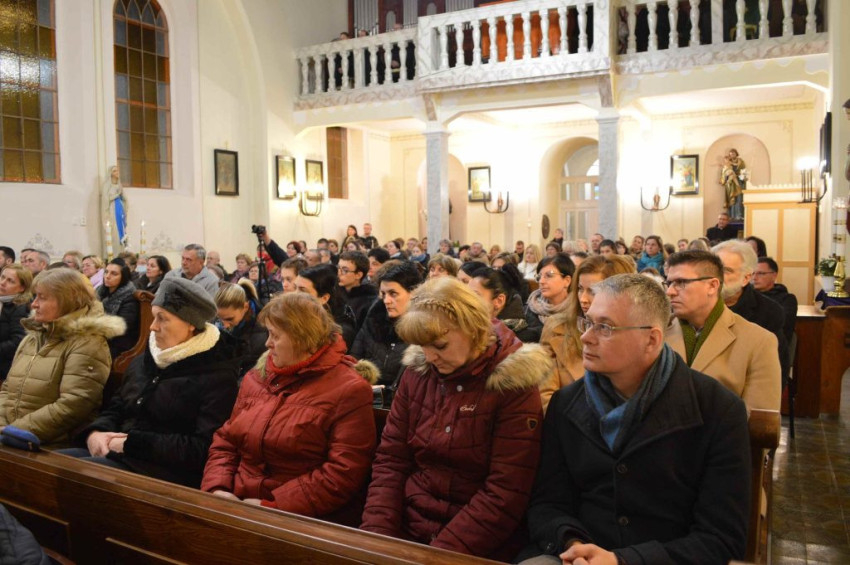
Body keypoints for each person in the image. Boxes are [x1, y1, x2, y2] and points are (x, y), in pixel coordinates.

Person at [521, 274, 750, 565]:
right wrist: (573, 543)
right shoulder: (567, 403)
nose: (586, 337)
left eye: (605, 327)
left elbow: (720, 538)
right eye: (587, 323)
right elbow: (548, 502)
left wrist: (622, 560)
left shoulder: (717, 409)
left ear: (651, 339)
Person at [360, 277, 552, 560]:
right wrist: (377, 537)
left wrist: (435, 557)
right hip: (409, 525)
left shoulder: (512, 384)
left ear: (473, 331)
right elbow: (391, 459)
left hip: (476, 543)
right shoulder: (419, 371)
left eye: (440, 345)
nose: (430, 357)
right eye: (422, 346)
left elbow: (505, 491)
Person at [202, 292, 377, 521]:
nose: (267, 343)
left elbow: (343, 472)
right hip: (236, 501)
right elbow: (226, 442)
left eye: (275, 335)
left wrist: (274, 505)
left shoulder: (349, 390)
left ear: (302, 338)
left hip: (298, 517)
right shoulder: (256, 377)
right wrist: (218, 488)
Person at [66, 277, 240, 487]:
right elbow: (117, 407)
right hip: (121, 453)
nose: (152, 326)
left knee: (74, 478)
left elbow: (202, 449)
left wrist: (132, 443)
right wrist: (95, 433)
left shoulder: (217, 375)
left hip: (162, 472)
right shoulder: (145, 360)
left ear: (190, 324)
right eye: (153, 316)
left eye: (162, 319)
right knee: (57, 463)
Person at [0, 269, 124, 445]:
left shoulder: (88, 343)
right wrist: (3, 427)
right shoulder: (32, 338)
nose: (34, 304)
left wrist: (15, 430)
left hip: (52, 444)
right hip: (11, 437)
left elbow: (75, 403)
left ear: (66, 301)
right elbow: (7, 389)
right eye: (35, 296)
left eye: (42, 298)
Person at [664, 250, 781, 411]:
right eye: (669, 283)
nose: (670, 291)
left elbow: (759, 417)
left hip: (723, 427)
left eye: (681, 282)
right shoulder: (657, 332)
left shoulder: (758, 341)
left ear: (712, 286)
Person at [538, 255, 636, 412]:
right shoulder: (557, 328)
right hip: (570, 421)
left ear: (619, 292)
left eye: (592, 291)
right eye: (580, 289)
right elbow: (545, 395)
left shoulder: (636, 331)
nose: (583, 298)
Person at [713, 240, 789, 387]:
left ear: (746, 278)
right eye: (713, 269)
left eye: (726, 270)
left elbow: (774, 371)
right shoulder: (696, 305)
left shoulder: (768, 312)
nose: (716, 277)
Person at [350, 260, 420, 407]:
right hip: (365, 401)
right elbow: (353, 360)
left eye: (393, 294)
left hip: (401, 405)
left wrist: (384, 393)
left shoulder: (423, 331)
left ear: (413, 293)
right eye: (383, 294)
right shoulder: (373, 319)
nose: (386, 301)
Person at [215, 280, 268, 381]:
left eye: (230, 319)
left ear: (245, 307)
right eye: (219, 319)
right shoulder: (217, 326)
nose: (225, 325)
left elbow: (255, 371)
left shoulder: (261, 331)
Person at [469, 265, 537, 343]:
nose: (467, 301)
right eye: (467, 294)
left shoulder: (517, 339)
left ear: (499, 301)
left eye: (475, 295)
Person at [296, 264, 357, 349]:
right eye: (295, 287)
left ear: (324, 298)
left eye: (302, 291)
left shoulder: (339, 333)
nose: (294, 294)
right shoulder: (295, 315)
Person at [525, 253, 575, 343]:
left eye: (549, 276)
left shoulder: (578, 310)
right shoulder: (531, 308)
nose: (541, 281)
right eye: (539, 277)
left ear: (567, 281)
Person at [97, 258, 140, 359]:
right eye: (106, 272)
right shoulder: (100, 291)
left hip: (120, 343)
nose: (107, 276)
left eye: (114, 274)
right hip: (103, 336)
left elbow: (121, 326)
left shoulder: (130, 297)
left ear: (123, 277)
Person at [754, 256, 797, 342]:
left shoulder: (787, 299)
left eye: (760, 273)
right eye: (752, 273)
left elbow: (783, 327)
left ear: (774, 275)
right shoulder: (746, 296)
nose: (754, 277)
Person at [0, 264, 32, 380]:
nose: (3, 283)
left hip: (5, 370)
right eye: (2, 277)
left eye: (10, 281)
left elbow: (18, 341)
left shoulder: (20, 307)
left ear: (22, 288)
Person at [337, 250, 378, 328]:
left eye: (345, 270)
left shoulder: (369, 301)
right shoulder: (335, 293)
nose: (339, 273)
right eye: (338, 268)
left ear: (358, 275)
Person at [101, 165, 129, 254]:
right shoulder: (107, 185)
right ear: (110, 173)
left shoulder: (119, 185)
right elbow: (106, 199)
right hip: (112, 210)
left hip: (120, 208)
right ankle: (114, 252)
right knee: (114, 232)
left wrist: (123, 198)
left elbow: (124, 198)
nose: (117, 173)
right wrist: (117, 195)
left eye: (117, 171)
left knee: (122, 229)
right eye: (114, 171)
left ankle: (122, 251)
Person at [721, 149, 747, 220]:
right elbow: (724, 173)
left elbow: (744, 172)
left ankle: (739, 215)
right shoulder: (728, 162)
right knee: (732, 199)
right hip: (731, 184)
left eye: (733, 153)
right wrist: (727, 175)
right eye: (731, 154)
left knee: (739, 198)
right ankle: (731, 216)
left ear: (736, 153)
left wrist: (742, 176)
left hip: (739, 182)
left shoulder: (741, 162)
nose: (732, 155)